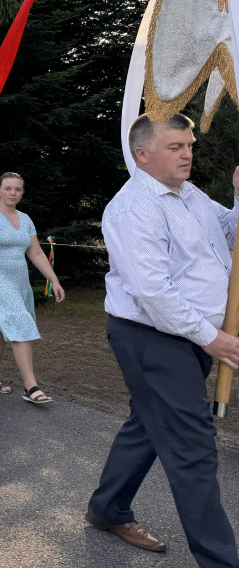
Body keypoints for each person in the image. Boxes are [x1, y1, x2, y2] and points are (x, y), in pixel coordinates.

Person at [86, 113, 239, 564]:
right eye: (176, 147)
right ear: (142, 154)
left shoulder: (188, 194)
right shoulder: (133, 208)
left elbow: (230, 233)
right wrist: (211, 337)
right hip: (151, 338)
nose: (188, 153)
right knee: (193, 447)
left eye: (189, 144)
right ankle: (221, 560)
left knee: (148, 424)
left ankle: (107, 507)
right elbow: (153, 291)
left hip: (188, 337)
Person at [0, 172, 65, 403]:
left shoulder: (26, 219)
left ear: (22, 193)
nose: (13, 193)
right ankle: (31, 387)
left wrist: (54, 279)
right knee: (20, 324)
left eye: (18, 189)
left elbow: (35, 252)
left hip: (18, 282)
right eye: (8, 188)